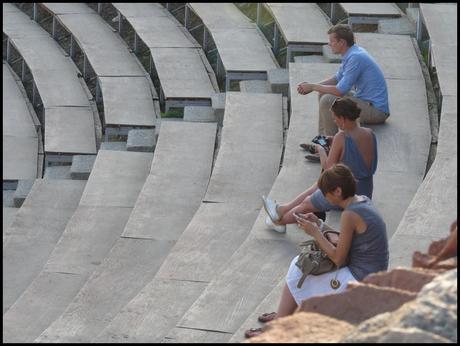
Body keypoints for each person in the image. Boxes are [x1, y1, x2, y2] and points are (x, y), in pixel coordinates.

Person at [246, 164, 389, 338]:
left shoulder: (350, 215)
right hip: (371, 274)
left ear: (337, 191)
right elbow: (345, 239)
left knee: (299, 266)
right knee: (301, 266)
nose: (324, 197)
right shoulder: (363, 201)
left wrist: (314, 232)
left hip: (361, 280)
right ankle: (284, 316)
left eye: (325, 193)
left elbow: (338, 258)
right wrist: (319, 224)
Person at [263, 97, 377, 233]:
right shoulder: (369, 133)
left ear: (343, 119)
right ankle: (282, 209)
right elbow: (356, 152)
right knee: (318, 185)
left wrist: (321, 150)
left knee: (307, 202)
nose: (334, 121)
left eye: (335, 119)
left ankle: (279, 221)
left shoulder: (342, 137)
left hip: (346, 193)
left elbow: (329, 170)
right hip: (365, 190)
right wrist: (334, 141)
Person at [297, 24, 389, 138]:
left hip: (376, 110)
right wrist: (311, 87)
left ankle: (330, 145)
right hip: (364, 100)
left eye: (332, 41)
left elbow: (340, 91)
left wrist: (313, 87)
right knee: (323, 93)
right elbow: (337, 78)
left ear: (342, 42)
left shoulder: (356, 57)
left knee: (328, 100)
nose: (329, 44)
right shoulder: (352, 53)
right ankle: (322, 140)